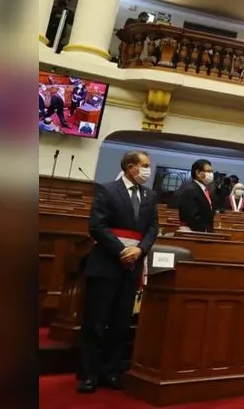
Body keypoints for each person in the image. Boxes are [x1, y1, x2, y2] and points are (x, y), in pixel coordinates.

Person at [77, 151, 158, 393]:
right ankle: (89, 374)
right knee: (96, 322)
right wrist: (122, 250)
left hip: (132, 266)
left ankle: (111, 372)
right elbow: (97, 226)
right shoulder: (107, 189)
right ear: (130, 167)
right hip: (107, 263)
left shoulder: (150, 195)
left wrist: (140, 249)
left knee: (121, 322)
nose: (148, 170)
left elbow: (153, 227)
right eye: (144, 165)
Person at [175, 159, 215, 232]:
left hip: (200, 231)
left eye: (212, 171)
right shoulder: (191, 189)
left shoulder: (203, 189)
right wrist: (205, 230)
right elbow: (191, 216)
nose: (211, 174)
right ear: (198, 173)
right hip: (192, 231)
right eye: (208, 171)